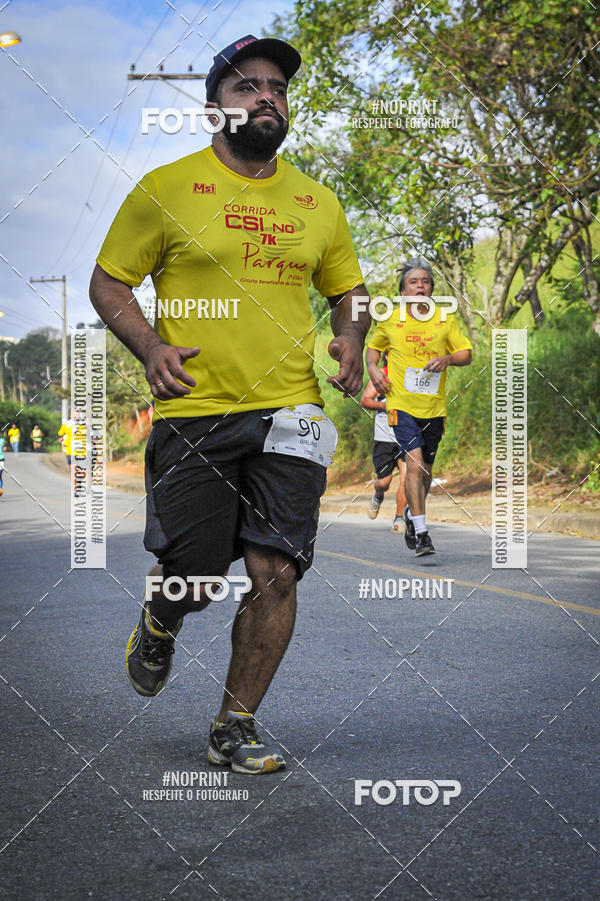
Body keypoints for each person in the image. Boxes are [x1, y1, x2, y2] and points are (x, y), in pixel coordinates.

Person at [89, 34, 370, 775]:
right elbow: (109, 282)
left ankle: (234, 724)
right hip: (196, 410)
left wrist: (351, 336)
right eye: (248, 86)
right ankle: (161, 619)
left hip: (292, 412)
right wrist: (150, 346)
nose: (267, 96)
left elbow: (348, 289)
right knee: (198, 573)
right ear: (215, 109)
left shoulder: (317, 202)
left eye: (277, 86)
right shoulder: (167, 188)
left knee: (277, 572)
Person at [366, 257, 472, 556]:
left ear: (431, 289)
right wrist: (373, 370)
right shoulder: (391, 319)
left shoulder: (444, 319)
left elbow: (466, 353)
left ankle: (413, 515)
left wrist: (448, 358)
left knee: (424, 470)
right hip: (401, 405)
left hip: (434, 407)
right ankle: (423, 534)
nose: (420, 286)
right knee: (413, 464)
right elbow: (373, 351)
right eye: (414, 282)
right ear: (403, 292)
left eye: (425, 281)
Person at [360, 352, 406, 530]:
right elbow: (365, 400)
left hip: (406, 437)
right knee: (384, 482)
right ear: (387, 356)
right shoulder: (381, 375)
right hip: (384, 438)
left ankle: (399, 518)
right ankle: (378, 494)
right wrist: (385, 405)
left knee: (406, 479)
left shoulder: (411, 375)